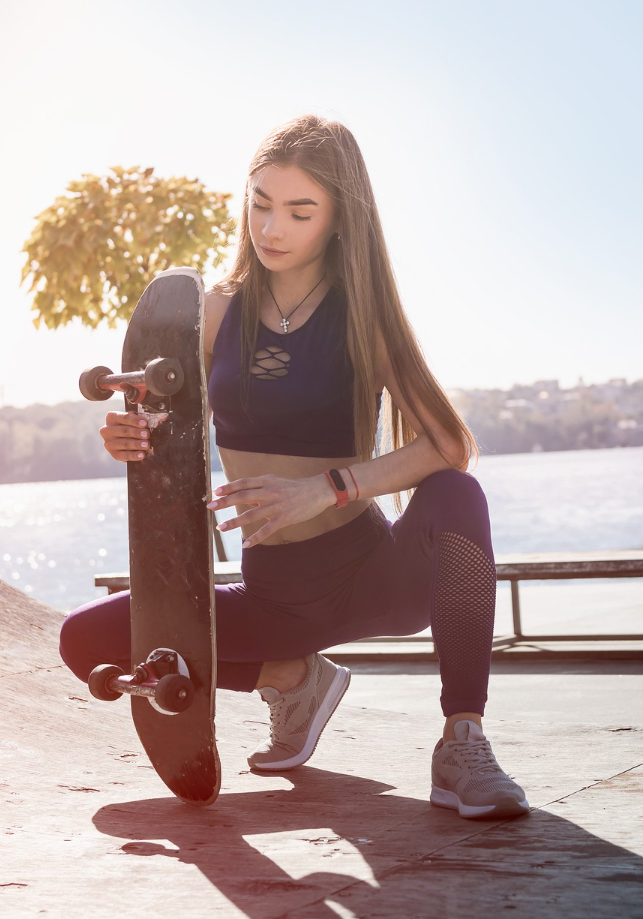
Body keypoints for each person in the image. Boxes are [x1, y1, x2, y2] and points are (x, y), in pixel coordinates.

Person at [59, 114, 528, 820]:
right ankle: (292, 679)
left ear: (339, 219)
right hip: (275, 594)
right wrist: (131, 436)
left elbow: (447, 443)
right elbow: (162, 428)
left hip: (369, 574)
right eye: (260, 202)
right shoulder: (214, 312)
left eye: (299, 211)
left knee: (458, 495)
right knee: (84, 639)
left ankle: (463, 740)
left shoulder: (363, 315)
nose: (271, 228)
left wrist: (328, 487)